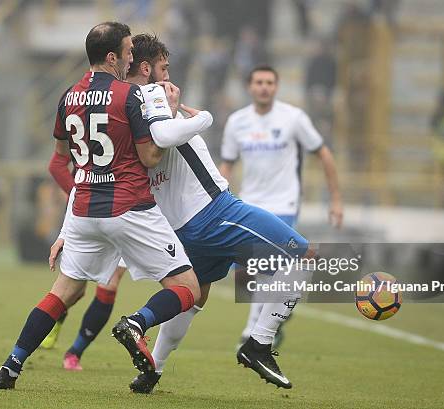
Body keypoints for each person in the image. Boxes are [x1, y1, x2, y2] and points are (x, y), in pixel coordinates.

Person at [51, 34, 317, 393]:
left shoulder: (117, 107)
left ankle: (152, 370)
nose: (168, 77)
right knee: (303, 256)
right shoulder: (150, 95)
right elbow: (163, 132)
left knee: (194, 296)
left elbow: (85, 169)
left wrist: (67, 229)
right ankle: (260, 344)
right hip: (213, 212)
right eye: (164, 67)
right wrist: (203, 116)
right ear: (146, 68)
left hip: (177, 226)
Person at [0, 22, 213, 390]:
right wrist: (179, 117)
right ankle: (136, 323)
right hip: (129, 207)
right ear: (112, 57)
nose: (132, 57)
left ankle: (10, 366)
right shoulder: (129, 96)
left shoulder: (67, 97)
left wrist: (66, 227)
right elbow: (152, 156)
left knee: (65, 292)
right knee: (188, 287)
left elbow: (61, 161)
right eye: (128, 51)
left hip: (83, 213)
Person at [219, 65, 343, 350]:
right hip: (248, 204)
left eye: (270, 82)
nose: (264, 87)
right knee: (243, 277)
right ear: (250, 87)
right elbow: (227, 163)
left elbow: (323, 153)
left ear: (277, 87)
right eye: (259, 82)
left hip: (284, 204)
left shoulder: (293, 118)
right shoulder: (237, 122)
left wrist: (335, 198)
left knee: (267, 269)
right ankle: (279, 311)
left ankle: (253, 332)